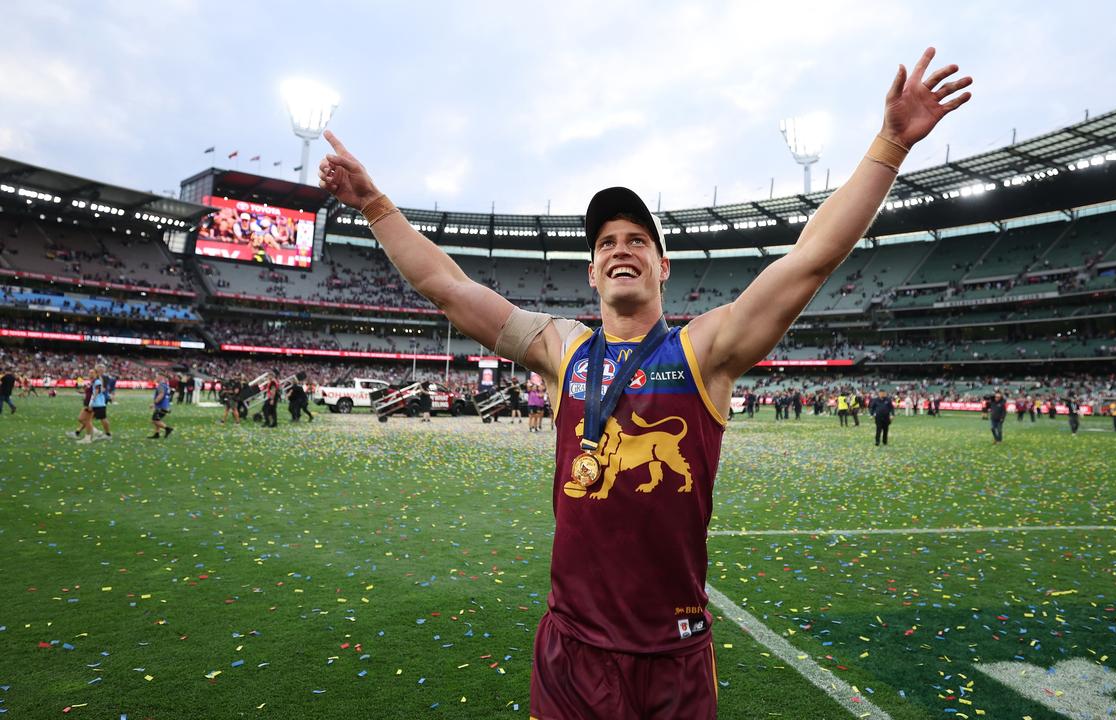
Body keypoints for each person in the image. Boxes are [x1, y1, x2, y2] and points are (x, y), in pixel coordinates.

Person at [317, 46, 969, 719]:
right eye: (605, 243)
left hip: (673, 657)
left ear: (662, 268)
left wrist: (889, 144)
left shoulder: (704, 351)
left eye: (636, 239)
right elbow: (449, 288)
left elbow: (809, 260)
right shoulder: (561, 350)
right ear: (593, 276)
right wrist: (373, 205)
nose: (620, 247)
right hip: (571, 651)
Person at [150, 372, 174, 439]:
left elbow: (161, 395)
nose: (156, 378)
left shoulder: (161, 385)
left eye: (157, 376)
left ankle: (168, 429)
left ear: (161, 377)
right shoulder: (166, 385)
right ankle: (156, 434)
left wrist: (154, 403)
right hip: (164, 406)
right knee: (157, 419)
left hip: (161, 407)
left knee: (154, 420)